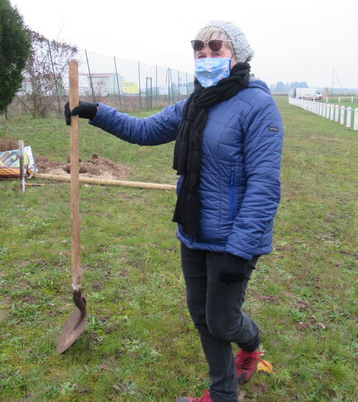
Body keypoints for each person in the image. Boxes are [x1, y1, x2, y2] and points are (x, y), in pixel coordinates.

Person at [65, 20, 283, 402]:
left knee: (222, 319)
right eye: (199, 48)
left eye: (217, 48)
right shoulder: (193, 104)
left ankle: (250, 345)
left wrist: (241, 248)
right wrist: (95, 111)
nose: (206, 55)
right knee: (202, 316)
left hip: (232, 239)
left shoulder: (258, 106)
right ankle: (222, 394)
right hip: (194, 228)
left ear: (238, 55)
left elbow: (265, 185)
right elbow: (145, 130)